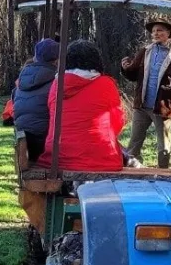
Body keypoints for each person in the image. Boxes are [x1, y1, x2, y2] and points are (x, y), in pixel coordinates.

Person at [36, 39, 126, 172]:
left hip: (57, 158)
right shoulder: (106, 84)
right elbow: (118, 122)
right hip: (102, 160)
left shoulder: (57, 84)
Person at [121, 17, 171, 169]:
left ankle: (163, 174)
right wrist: (125, 68)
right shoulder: (145, 51)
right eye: (153, 31)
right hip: (142, 106)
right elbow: (132, 75)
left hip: (163, 107)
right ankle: (131, 173)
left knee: (163, 147)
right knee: (134, 143)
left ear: (168, 33)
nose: (155, 33)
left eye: (159, 30)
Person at [12, 38, 59, 160]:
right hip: (42, 143)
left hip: (24, 140)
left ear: (36, 57)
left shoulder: (23, 78)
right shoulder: (55, 82)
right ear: (56, 60)